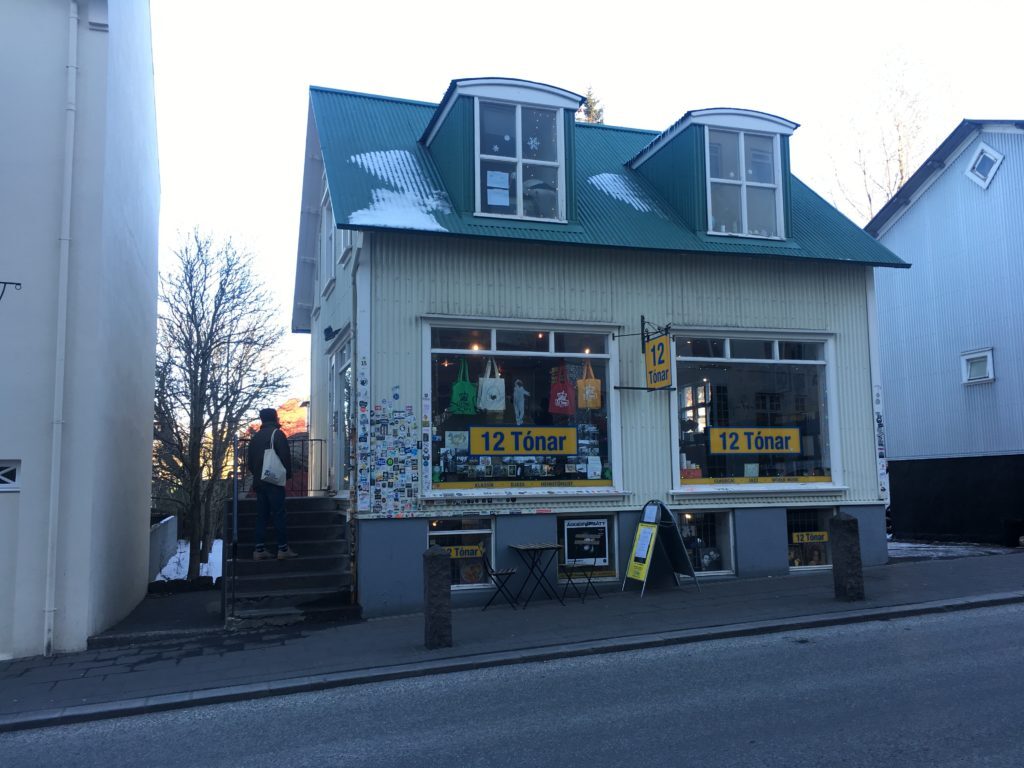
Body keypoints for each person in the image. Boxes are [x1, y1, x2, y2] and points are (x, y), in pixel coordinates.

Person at [246, 408, 297, 560]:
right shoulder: (277, 434)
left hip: (259, 482)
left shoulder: (255, 438)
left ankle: (259, 549)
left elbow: (249, 462)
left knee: (262, 515)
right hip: (273, 481)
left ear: (261, 419)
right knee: (279, 514)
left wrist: (258, 475)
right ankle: (283, 548)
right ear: (275, 418)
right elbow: (285, 457)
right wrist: (286, 475)